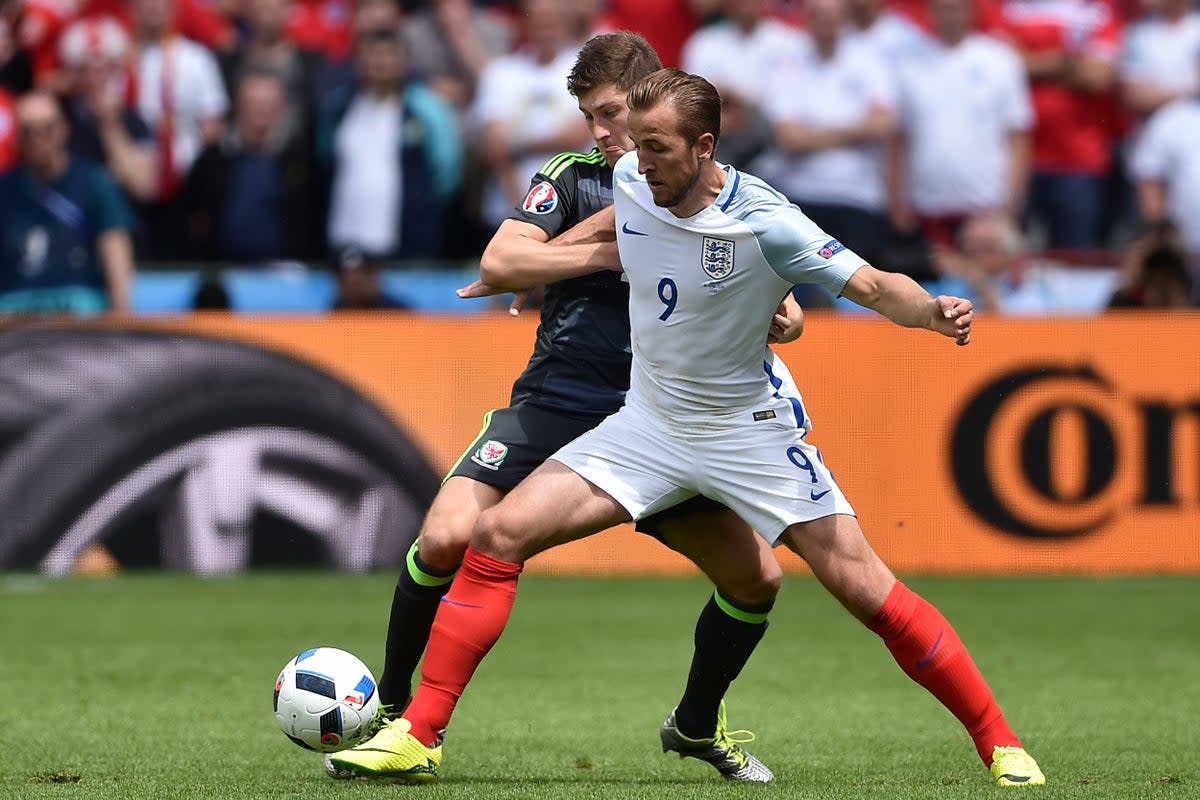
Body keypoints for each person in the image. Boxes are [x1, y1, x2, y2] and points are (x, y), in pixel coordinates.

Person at [338, 68, 1048, 788]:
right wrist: (524, 271)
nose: (636, 162)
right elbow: (605, 218)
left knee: (865, 591)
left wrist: (929, 312)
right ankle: (419, 735)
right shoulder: (633, 178)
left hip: (748, 434)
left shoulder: (766, 219)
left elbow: (869, 285)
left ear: (704, 146)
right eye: (632, 146)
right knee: (496, 536)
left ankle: (1000, 743)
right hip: (647, 425)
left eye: (655, 148)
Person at [327, 32, 805, 784]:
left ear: (655, 100)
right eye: (590, 117)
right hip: (556, 398)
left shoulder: (702, 186)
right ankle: (391, 708)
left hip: (658, 422)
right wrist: (609, 250)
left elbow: (788, 306)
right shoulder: (573, 178)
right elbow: (500, 261)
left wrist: (780, 312)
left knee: (757, 583)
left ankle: (696, 723)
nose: (603, 134)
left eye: (613, 113)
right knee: (447, 535)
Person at [0, 91, 135, 315]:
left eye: (47, 128)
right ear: (17, 137)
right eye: (28, 131)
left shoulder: (94, 183)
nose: (38, 138)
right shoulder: (4, 190)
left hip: (79, 317)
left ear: (63, 128)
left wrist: (121, 319)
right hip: (14, 319)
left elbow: (116, 253)